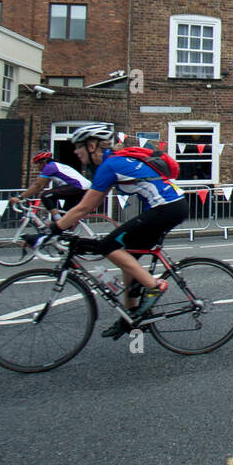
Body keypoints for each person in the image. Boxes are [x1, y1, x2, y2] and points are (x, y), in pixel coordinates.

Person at [33, 124, 189, 338]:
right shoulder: (110, 164)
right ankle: (131, 316)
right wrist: (64, 224)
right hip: (168, 207)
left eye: (78, 147)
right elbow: (90, 203)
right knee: (128, 254)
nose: (75, 152)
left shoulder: (110, 165)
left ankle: (154, 285)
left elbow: (85, 207)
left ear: (91, 145)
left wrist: (49, 231)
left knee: (108, 245)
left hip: (166, 208)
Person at [10, 150, 90, 219]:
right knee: (66, 216)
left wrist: (20, 197)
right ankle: (65, 230)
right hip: (82, 188)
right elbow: (42, 186)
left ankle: (58, 221)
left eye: (38, 164)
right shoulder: (55, 166)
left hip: (77, 186)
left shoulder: (49, 167)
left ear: (43, 162)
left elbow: (37, 186)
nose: (37, 167)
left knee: (45, 196)